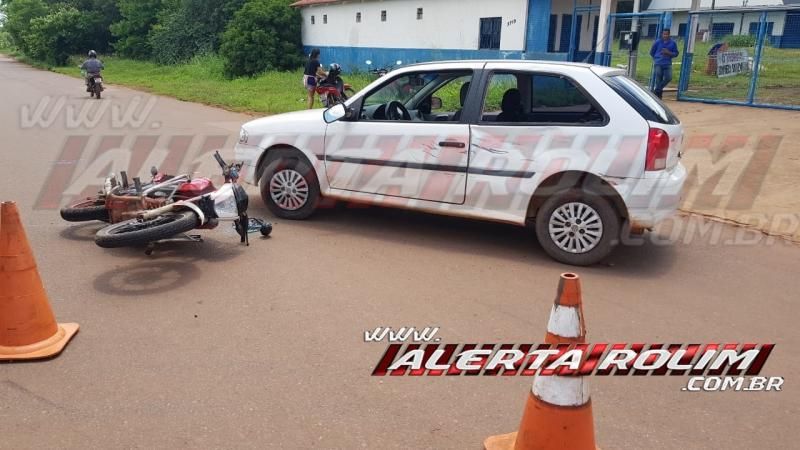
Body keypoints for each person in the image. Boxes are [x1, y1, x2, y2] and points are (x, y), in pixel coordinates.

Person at [649, 30, 679, 99]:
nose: (665, 36)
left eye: (667, 34)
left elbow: (676, 53)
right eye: (664, 34)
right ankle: (658, 96)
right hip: (658, 63)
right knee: (658, 79)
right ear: (662, 34)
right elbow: (652, 52)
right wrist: (657, 58)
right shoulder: (657, 42)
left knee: (669, 77)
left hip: (667, 63)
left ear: (669, 35)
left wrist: (668, 53)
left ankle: (656, 90)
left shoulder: (672, 43)